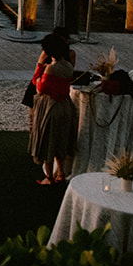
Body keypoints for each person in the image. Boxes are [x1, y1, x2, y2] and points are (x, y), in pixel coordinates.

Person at [29, 30, 78, 184]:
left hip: (51, 107)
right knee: (61, 140)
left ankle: (49, 177)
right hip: (65, 105)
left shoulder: (51, 68)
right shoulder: (69, 66)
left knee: (48, 141)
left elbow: (39, 87)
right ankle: (61, 173)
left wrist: (39, 64)